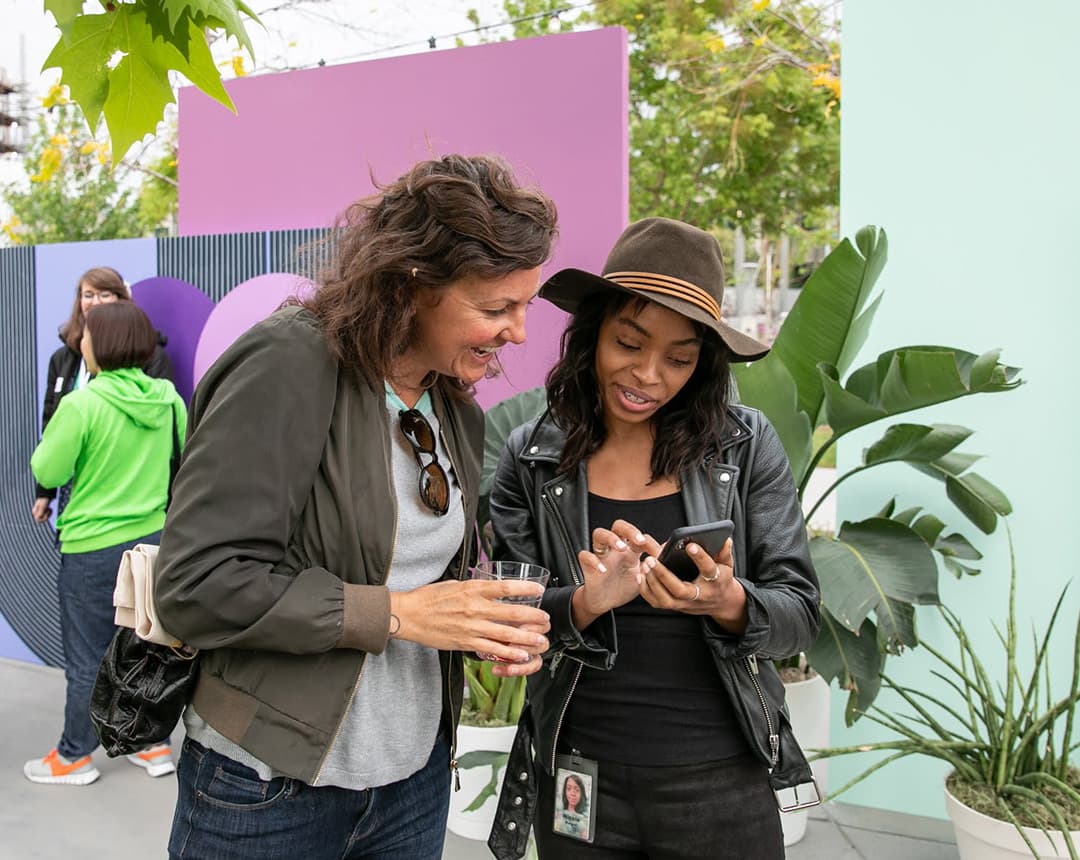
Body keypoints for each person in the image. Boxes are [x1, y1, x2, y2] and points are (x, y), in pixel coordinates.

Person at [153, 154, 559, 860]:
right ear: (412, 284)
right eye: (496, 309)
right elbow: (197, 584)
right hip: (268, 789)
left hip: (413, 781)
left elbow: (412, 570)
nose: (517, 333)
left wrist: (472, 617)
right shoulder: (291, 362)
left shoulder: (451, 405)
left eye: (524, 306)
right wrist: (400, 614)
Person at [487, 217, 821, 860]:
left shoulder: (745, 448)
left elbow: (800, 614)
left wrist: (728, 601)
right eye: (629, 343)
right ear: (593, 335)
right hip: (580, 779)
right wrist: (586, 600)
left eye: (678, 359)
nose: (647, 375)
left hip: (720, 783)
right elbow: (511, 615)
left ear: (703, 363)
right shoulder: (531, 457)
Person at [24, 302, 187, 786]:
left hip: (92, 550)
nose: (81, 343)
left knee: (88, 657)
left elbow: (46, 471)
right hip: (153, 545)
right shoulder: (168, 399)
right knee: (148, 650)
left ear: (102, 345)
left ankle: (74, 755)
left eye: (87, 336)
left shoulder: (82, 404)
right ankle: (152, 744)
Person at [32, 266, 175, 524]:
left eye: (104, 294)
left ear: (122, 300)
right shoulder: (63, 359)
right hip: (77, 490)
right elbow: (51, 424)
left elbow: (166, 431)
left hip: (135, 492)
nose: (95, 302)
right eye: (88, 295)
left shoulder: (154, 366)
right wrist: (45, 491)